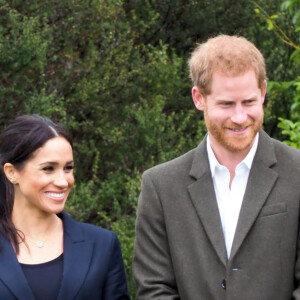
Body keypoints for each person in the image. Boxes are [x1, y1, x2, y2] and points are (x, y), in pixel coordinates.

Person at [132, 35, 300, 299]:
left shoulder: (297, 173)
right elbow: (155, 289)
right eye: (226, 104)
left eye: (249, 102)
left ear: (263, 92)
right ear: (199, 98)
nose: (240, 117)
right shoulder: (161, 186)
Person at [0, 114, 130, 300]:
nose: (63, 181)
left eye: (68, 168)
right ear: (12, 173)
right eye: (48, 168)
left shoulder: (102, 245)